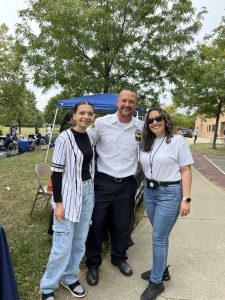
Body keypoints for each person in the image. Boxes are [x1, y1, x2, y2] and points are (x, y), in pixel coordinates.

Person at [85, 87, 143, 286]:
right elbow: (87, 145)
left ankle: (119, 258)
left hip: (127, 184)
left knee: (122, 224)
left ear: (135, 104)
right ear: (118, 102)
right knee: (97, 224)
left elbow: (144, 153)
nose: (127, 105)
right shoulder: (101, 123)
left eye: (131, 102)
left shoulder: (140, 127)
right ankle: (93, 264)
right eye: (124, 101)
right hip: (103, 182)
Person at [40, 101, 95, 300]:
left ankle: (70, 277)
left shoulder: (90, 135)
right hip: (68, 195)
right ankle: (47, 288)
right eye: (82, 113)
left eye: (90, 113)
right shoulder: (64, 138)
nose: (86, 117)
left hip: (87, 191)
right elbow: (56, 173)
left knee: (80, 242)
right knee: (62, 245)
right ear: (74, 115)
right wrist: (59, 203)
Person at [139, 107, 193, 300]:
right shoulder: (147, 142)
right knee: (160, 236)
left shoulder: (177, 141)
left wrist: (186, 199)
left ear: (165, 120)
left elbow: (185, 170)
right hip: (150, 191)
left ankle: (156, 282)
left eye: (158, 118)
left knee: (158, 238)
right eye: (150, 120)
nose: (154, 122)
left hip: (169, 193)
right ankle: (161, 271)